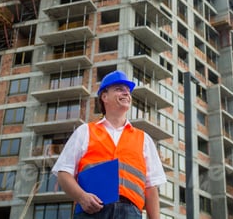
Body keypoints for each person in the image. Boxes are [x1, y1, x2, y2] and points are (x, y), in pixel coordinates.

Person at [52, 70, 167, 218]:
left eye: (128, 91)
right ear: (104, 97)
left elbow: (151, 188)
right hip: (91, 211)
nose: (126, 93)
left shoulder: (144, 139)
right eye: (119, 89)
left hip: (130, 213)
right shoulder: (85, 132)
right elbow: (63, 173)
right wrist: (81, 197)